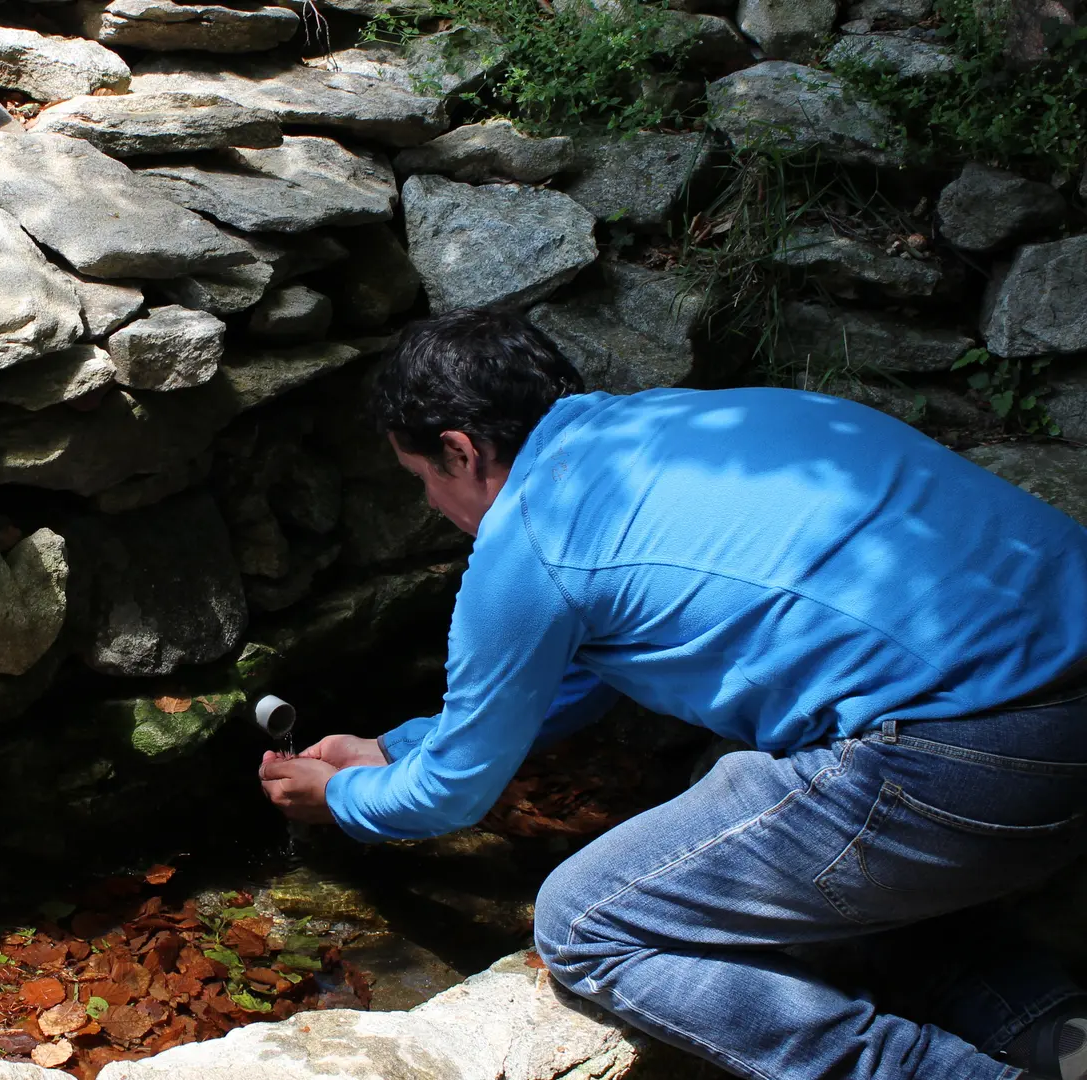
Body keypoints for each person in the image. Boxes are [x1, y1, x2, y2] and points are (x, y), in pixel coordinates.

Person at [257, 308, 1087, 1080]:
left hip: (976, 757)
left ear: (461, 450)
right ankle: (1055, 1034)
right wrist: (395, 749)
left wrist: (345, 797)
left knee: (587, 923)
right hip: (1045, 718)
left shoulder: (532, 539)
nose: (430, 504)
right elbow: (579, 680)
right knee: (783, 850)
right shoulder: (678, 424)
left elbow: (454, 795)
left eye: (420, 478)